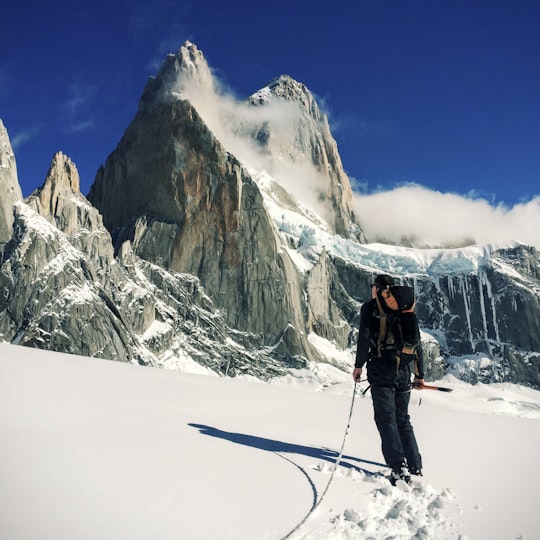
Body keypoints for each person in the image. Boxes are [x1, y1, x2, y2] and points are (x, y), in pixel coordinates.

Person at [352, 274, 425, 485]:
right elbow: (416, 343)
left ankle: (397, 467)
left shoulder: (370, 308)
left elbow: (364, 338)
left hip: (381, 368)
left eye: (373, 286)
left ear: (378, 288)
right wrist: (419, 375)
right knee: (403, 419)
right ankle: (415, 466)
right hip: (403, 370)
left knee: (386, 419)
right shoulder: (405, 308)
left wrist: (359, 366)